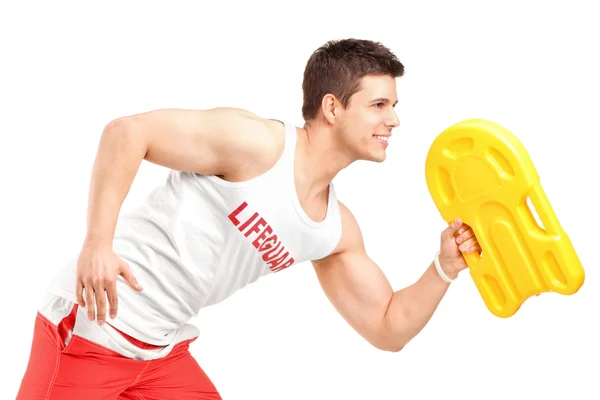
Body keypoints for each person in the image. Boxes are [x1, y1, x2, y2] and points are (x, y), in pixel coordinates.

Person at [17, 38, 481, 399]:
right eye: (379, 105)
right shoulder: (257, 145)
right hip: (93, 327)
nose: (394, 120)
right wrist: (97, 243)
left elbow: (386, 327)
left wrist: (444, 268)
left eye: (394, 106)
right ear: (333, 108)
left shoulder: (333, 231)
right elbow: (126, 133)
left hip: (159, 351)